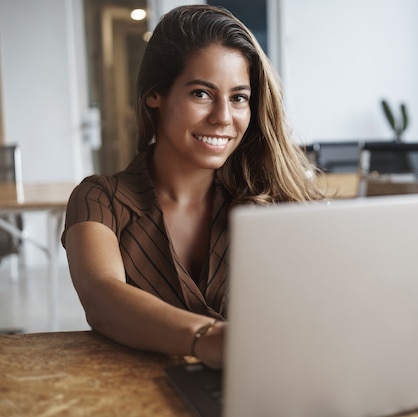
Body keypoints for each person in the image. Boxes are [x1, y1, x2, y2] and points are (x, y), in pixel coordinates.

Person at [62, 4, 322, 369]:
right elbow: (101, 296)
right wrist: (207, 338)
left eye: (239, 98)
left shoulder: (272, 197)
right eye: (201, 93)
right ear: (156, 93)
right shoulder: (99, 199)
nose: (223, 117)